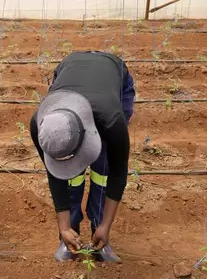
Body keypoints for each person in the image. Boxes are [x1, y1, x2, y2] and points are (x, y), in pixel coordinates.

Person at [29, 51, 135, 263]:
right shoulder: (41, 126)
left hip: (113, 74)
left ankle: (99, 232)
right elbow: (54, 175)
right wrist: (64, 227)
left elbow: (118, 172)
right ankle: (70, 235)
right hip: (69, 68)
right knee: (70, 172)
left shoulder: (112, 120)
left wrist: (106, 225)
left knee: (103, 162)